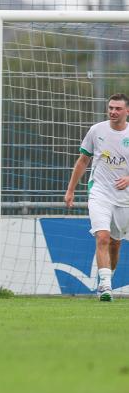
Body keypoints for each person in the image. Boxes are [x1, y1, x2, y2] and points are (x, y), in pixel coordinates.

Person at [64, 93, 129, 301]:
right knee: (102, 236)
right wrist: (71, 189)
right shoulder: (96, 130)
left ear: (127, 111)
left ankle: (107, 277)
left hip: (124, 198)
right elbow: (83, 160)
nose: (113, 112)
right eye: (110, 107)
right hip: (99, 192)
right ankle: (106, 286)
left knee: (115, 243)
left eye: (118, 108)